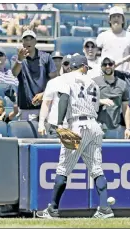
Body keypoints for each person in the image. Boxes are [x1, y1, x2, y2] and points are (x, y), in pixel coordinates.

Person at [36, 55, 114, 219]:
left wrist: (58, 124)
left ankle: (52, 209)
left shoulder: (66, 78)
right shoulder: (93, 83)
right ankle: (105, 208)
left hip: (77, 125)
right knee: (96, 168)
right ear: (83, 66)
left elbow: (64, 98)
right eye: (86, 67)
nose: (87, 69)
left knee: (63, 168)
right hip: (94, 126)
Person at [11, 30, 57, 121]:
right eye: (26, 39)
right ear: (22, 42)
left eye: (31, 39)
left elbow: (55, 81)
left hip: (44, 106)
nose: (28, 42)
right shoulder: (16, 58)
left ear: (35, 41)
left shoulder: (46, 57)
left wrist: (44, 94)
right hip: (24, 108)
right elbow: (14, 73)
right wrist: (20, 60)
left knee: (43, 134)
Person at [93, 56, 130, 139]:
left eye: (110, 64)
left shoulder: (123, 84)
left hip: (114, 128)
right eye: (105, 64)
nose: (107, 66)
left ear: (114, 66)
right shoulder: (94, 82)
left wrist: (128, 128)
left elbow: (126, 107)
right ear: (101, 67)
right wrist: (100, 101)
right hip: (96, 126)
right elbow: (86, 101)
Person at [96, 6, 130, 73]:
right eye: (113, 16)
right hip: (106, 74)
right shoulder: (102, 36)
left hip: (124, 75)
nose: (116, 18)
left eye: (119, 16)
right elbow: (96, 57)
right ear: (109, 20)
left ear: (123, 20)